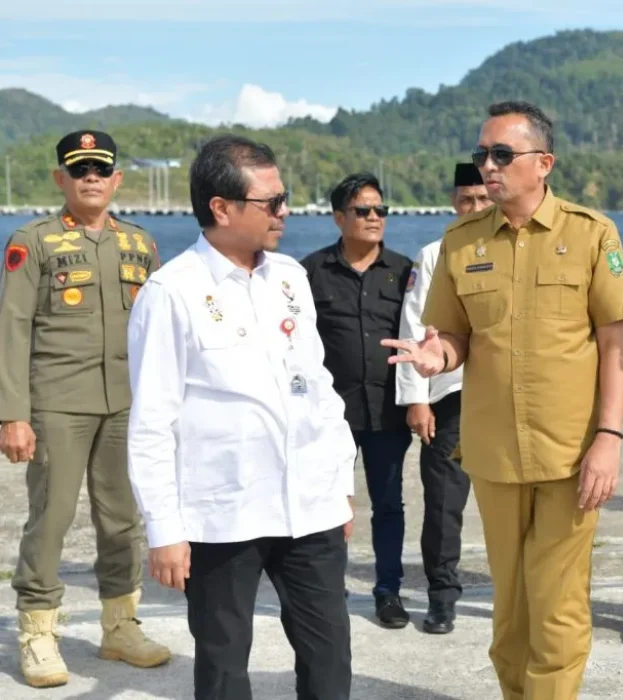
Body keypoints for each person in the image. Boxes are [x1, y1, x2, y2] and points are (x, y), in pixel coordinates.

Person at [383, 100, 623, 699]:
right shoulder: (461, 243)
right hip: (494, 454)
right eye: (482, 155)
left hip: (571, 454)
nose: (488, 168)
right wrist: (433, 358)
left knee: (557, 604)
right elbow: (454, 340)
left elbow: (615, 342)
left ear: (542, 163)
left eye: (502, 155)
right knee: (510, 607)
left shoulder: (592, 234)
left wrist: (609, 437)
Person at [125, 134, 357, 700]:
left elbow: (318, 386)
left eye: (285, 198)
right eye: (271, 202)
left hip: (309, 505)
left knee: (329, 656)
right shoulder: (172, 292)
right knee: (224, 664)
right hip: (222, 512)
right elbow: (153, 419)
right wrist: (164, 529)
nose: (285, 212)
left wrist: (339, 482)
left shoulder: (289, 278)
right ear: (221, 208)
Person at [0, 130, 169, 689]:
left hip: (126, 403)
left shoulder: (140, 245)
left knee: (124, 520)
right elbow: (13, 328)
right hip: (57, 403)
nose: (91, 178)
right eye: (80, 170)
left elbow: (158, 332)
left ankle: (120, 626)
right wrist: (12, 414)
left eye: (101, 169)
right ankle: (38, 632)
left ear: (117, 179)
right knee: (51, 519)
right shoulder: (35, 241)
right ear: (61, 180)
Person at [300, 173, 414, 629]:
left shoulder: (404, 272)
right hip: (332, 413)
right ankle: (329, 590)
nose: (373, 218)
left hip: (387, 409)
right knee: (328, 502)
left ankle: (388, 591)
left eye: (380, 210)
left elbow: (417, 335)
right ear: (339, 217)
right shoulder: (310, 272)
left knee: (388, 503)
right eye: (363, 210)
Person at [395, 162, 492, 634]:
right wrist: (418, 399)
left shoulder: (512, 251)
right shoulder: (435, 254)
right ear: (455, 201)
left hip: (502, 395)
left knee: (512, 501)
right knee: (443, 504)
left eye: (483, 199)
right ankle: (441, 595)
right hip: (450, 397)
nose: (474, 208)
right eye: (466, 199)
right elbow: (413, 327)